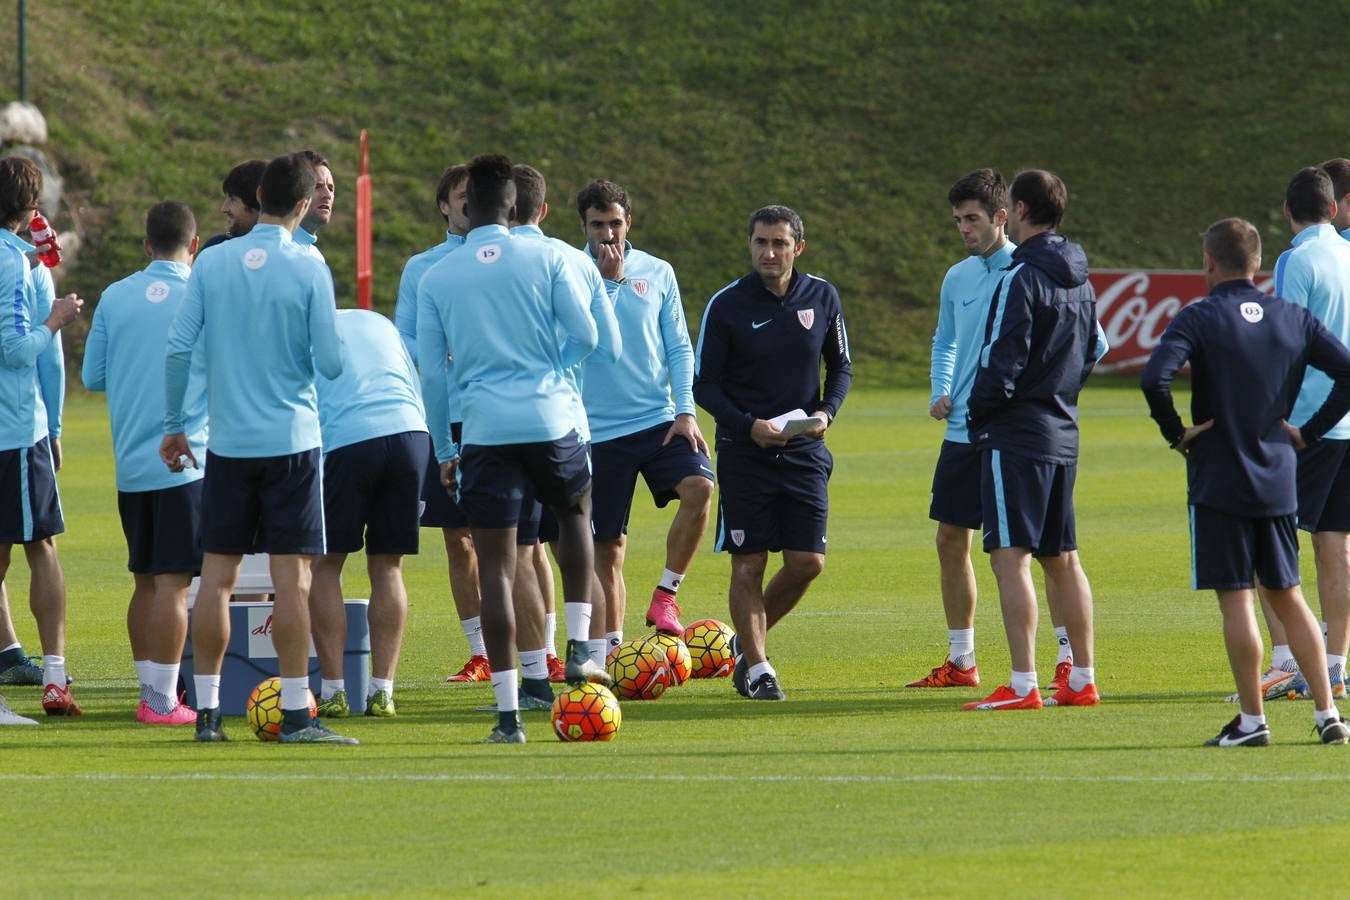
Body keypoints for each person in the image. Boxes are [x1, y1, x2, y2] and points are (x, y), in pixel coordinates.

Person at [162, 151, 354, 744]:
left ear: (260, 195)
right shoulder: (307, 267)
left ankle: (210, 714)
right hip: (292, 441)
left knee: (215, 580)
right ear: (302, 205)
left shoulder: (213, 265)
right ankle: (297, 711)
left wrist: (174, 424)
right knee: (291, 579)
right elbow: (331, 362)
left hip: (229, 443)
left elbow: (177, 348)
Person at [417, 153, 606, 743]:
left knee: (496, 566)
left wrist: (447, 455)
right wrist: (551, 369)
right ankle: (577, 646)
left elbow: (430, 375)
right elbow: (588, 336)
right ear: (516, 206)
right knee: (574, 520)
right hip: (550, 419)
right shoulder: (552, 255)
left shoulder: (437, 276)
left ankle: (507, 715)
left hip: (485, 431)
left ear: (467, 208)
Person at [1142, 216, 1350, 746]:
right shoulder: (1293, 317)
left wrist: (1178, 432)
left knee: (1237, 599)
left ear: (1209, 262)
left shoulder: (1200, 316)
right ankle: (1328, 713)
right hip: (1280, 473)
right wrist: (1308, 432)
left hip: (1219, 477)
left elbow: (1154, 377)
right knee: (1290, 595)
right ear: (1258, 263)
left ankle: (1253, 722)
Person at [693, 204, 852, 701]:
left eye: (779, 243)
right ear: (750, 245)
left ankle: (745, 642)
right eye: (761, 242)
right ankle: (759, 668)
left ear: (797, 247)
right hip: (745, 452)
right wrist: (748, 426)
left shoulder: (822, 296)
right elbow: (704, 386)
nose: (769, 251)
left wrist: (826, 413)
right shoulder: (727, 305)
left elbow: (841, 367)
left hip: (805, 449)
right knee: (749, 564)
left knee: (808, 562)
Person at [963, 169, 1100, 711]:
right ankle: (1082, 677)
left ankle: (1024, 684)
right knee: (1063, 558)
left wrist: (981, 414)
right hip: (1063, 431)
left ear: (1018, 209)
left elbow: (1002, 359)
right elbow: (1091, 351)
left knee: (1009, 557)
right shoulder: (1083, 279)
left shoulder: (1020, 277)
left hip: (1017, 434)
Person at [500, 163, 621, 708]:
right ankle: (587, 655)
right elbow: (607, 346)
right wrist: (556, 366)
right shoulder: (575, 262)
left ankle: (530, 679)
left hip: (494, 426)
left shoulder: (473, 266)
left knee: (519, 551)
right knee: (578, 539)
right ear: (544, 211)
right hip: (567, 423)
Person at [82, 200, 206, 726]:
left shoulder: (115, 295)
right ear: (194, 246)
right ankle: (160, 701)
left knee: (145, 580)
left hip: (131, 462)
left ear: (145, 245)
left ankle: (150, 690)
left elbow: (92, 377)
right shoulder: (200, 294)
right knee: (175, 584)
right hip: (185, 461)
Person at [575, 179, 713, 649]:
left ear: (628, 222)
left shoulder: (658, 271)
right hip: (596, 431)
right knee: (608, 548)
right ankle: (612, 651)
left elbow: (678, 346)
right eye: (597, 225)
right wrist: (608, 285)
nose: (608, 234)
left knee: (701, 487)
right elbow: (583, 342)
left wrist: (686, 411)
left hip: (658, 419)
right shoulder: (570, 272)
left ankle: (666, 594)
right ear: (584, 227)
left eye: (615, 223)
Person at [390, 164, 497, 683]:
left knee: (517, 538)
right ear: (444, 205)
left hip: (495, 413)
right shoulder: (422, 268)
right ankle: (480, 651)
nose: (468, 205)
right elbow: (403, 336)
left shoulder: (501, 258)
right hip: (445, 414)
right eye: (460, 197)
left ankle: (535, 648)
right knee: (460, 539)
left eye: (475, 196)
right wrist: (438, 349)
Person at [1250, 167, 1350, 702]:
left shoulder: (1297, 259)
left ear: (1287, 213)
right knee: (1337, 548)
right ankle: (1336, 665)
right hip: (1348, 422)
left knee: (1273, 544)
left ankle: (1288, 661)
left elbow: (1287, 342)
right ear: (1334, 209)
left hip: (1306, 422)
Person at [310, 309, 429, 719]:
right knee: (388, 567)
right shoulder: (376, 320)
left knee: (325, 566)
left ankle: (334, 690)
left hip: (348, 440)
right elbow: (415, 384)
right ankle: (383, 691)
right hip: (412, 435)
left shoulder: (302, 329)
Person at [0, 155, 84, 718]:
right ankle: (55, 676)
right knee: (41, 548)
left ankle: (15, 657)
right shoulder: (19, 263)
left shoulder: (24, 257)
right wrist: (55, 319)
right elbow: (21, 351)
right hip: (13, 430)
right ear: (33, 206)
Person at [198, 158, 266, 253]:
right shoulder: (215, 247)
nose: (224, 208)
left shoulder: (286, 255)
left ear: (258, 200)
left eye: (233, 199)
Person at [293, 149, 335, 262]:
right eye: (317, 187)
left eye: (331, 188)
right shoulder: (279, 251)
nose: (327, 195)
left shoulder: (316, 257)